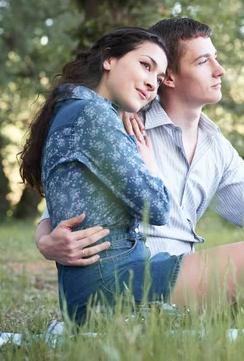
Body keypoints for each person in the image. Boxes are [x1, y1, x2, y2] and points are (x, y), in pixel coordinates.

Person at [36, 19, 244, 346]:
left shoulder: (214, 145)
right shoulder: (128, 121)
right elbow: (72, 194)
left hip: (182, 272)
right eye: (204, 61)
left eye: (216, 59)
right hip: (148, 271)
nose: (220, 70)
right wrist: (45, 238)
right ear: (173, 79)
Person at [19, 27, 174, 325]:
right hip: (112, 283)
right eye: (145, 65)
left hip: (108, 280)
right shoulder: (92, 114)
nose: (152, 84)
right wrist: (149, 164)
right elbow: (157, 207)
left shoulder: (83, 109)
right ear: (109, 59)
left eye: (158, 79)